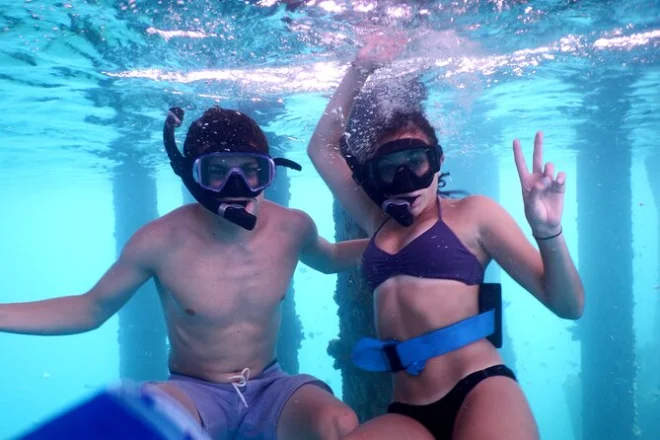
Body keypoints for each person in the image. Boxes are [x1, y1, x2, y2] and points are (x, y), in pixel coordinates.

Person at [0, 106, 366, 440]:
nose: (237, 187)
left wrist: (392, 241)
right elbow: (89, 309)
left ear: (267, 171)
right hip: (194, 391)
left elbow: (331, 257)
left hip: (272, 387)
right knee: (142, 429)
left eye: (251, 170)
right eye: (217, 172)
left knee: (340, 423)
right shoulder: (159, 241)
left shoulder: (292, 227)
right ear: (191, 176)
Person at [306, 37, 585, 440]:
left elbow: (569, 305)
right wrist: (360, 67)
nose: (406, 181)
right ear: (374, 177)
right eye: (390, 169)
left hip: (480, 388)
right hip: (406, 408)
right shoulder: (374, 220)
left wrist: (548, 232)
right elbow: (321, 149)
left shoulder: (474, 214)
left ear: (438, 162)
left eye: (416, 163)